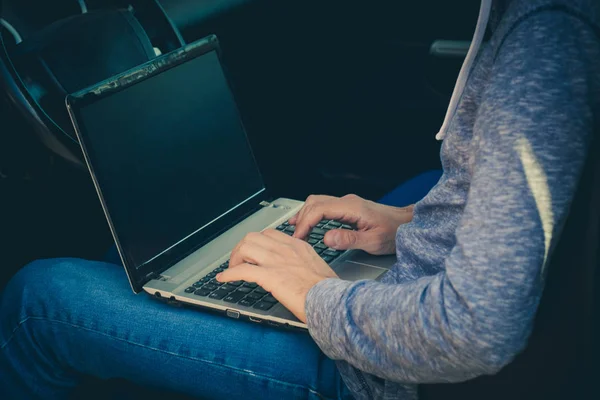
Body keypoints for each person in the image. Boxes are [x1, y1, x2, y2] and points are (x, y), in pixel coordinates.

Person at [2, 0, 599, 398]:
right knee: (135, 266)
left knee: (40, 296)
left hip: (380, 374)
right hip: (410, 300)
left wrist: (317, 295)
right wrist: (411, 221)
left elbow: (475, 329)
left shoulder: (544, 33)